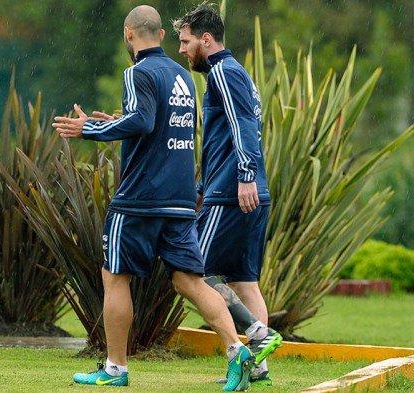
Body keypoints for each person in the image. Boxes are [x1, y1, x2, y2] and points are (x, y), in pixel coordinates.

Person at [53, 5, 254, 391]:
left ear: (129, 35)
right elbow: (160, 126)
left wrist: (89, 130)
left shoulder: (136, 72)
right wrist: (111, 122)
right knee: (190, 281)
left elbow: (143, 121)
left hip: (139, 199)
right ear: (161, 35)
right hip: (179, 199)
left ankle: (115, 368)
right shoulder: (184, 76)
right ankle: (237, 350)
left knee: (115, 277)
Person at [173, 2, 283, 386]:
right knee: (243, 280)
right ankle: (258, 367)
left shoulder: (222, 71)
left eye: (186, 42)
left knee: (190, 273)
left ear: (207, 40)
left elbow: (243, 126)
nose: (182, 51)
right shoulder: (235, 73)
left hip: (234, 192)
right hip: (246, 191)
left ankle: (258, 335)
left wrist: (245, 176)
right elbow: (230, 133)